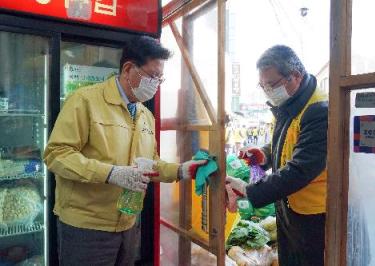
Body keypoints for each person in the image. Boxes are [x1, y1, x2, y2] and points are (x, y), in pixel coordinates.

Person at [44, 35, 206, 266]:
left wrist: (181, 170)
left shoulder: (145, 115)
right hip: (87, 228)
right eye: (152, 76)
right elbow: (56, 155)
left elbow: (150, 164)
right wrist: (111, 173)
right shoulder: (85, 101)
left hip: (129, 226)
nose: (156, 84)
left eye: (160, 78)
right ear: (128, 68)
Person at [226, 45, 328, 266]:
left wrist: (247, 190)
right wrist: (265, 154)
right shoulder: (289, 103)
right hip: (289, 207)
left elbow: (301, 169)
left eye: (271, 85)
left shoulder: (319, 110)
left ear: (296, 77)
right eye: (262, 86)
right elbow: (287, 141)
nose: (267, 91)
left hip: (313, 215)